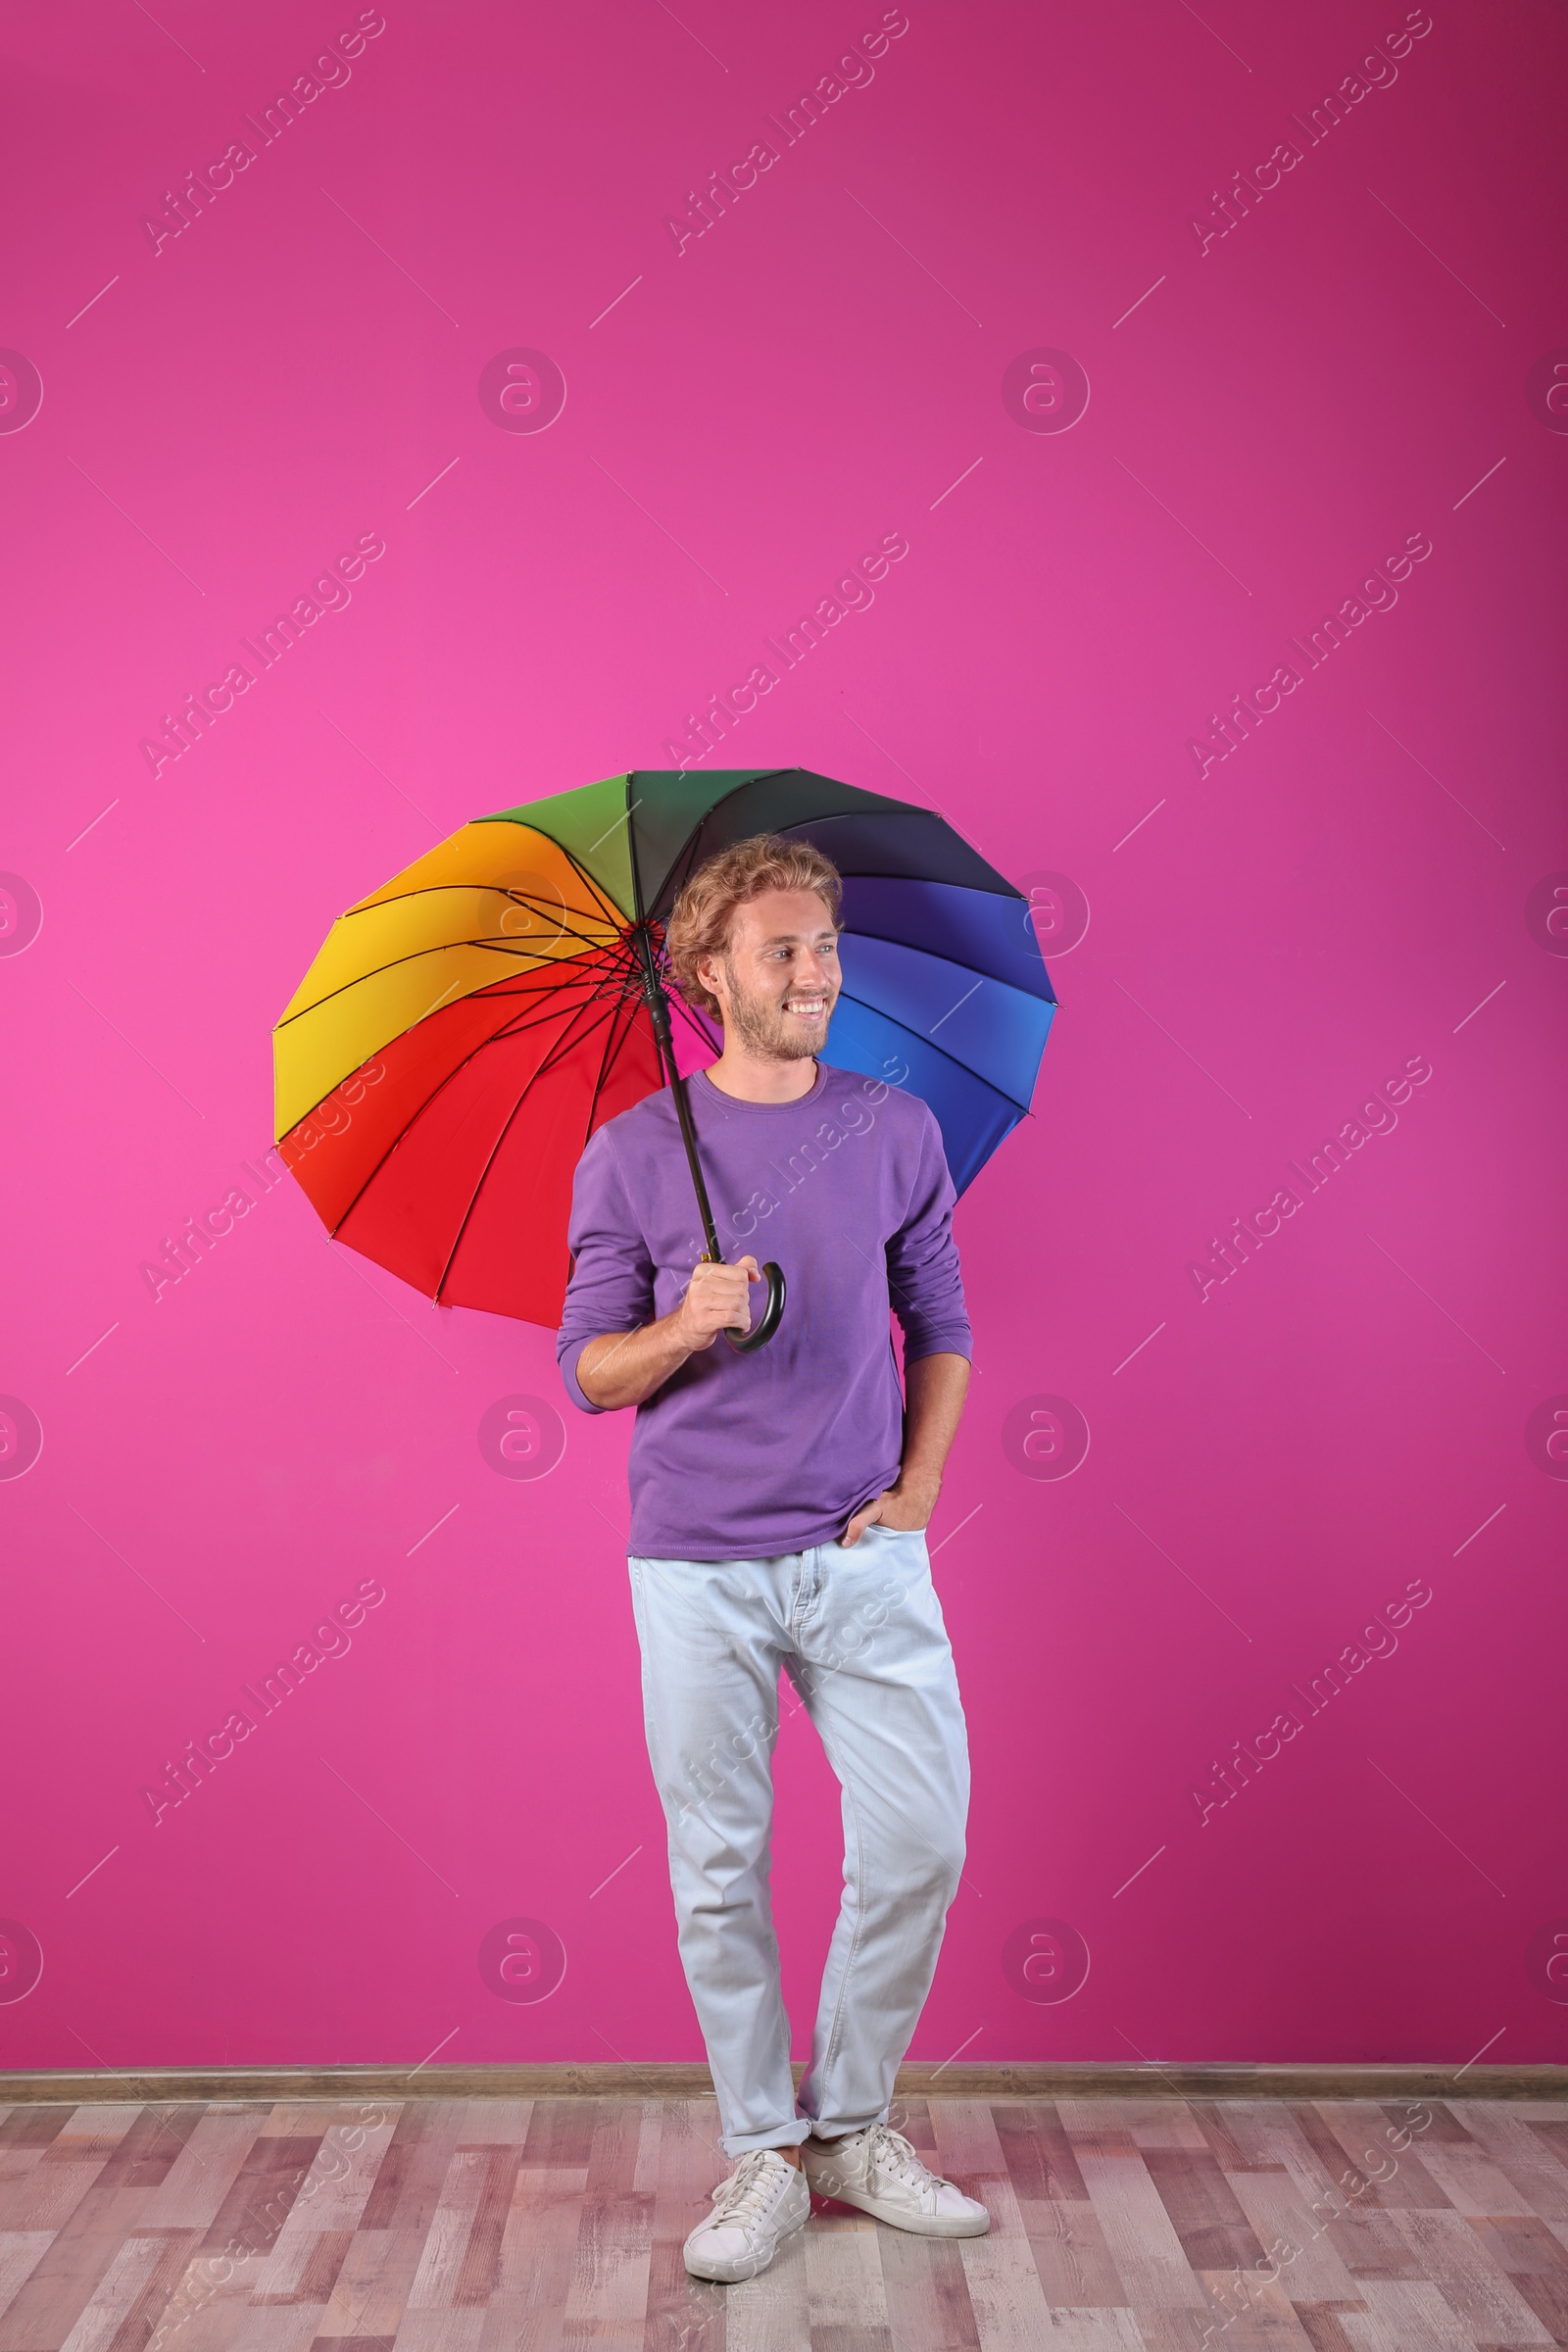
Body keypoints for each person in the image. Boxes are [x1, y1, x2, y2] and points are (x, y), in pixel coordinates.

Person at [556, 833, 989, 2282]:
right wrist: (686, 1323)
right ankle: (763, 2150)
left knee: (921, 1839)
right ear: (708, 976)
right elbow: (588, 1375)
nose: (816, 973)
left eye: (825, 947)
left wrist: (920, 1487)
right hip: (696, 1567)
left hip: (862, 1552)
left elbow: (944, 1324)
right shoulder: (627, 1154)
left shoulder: (893, 1128)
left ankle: (852, 2124)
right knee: (717, 1870)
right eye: (783, 951)